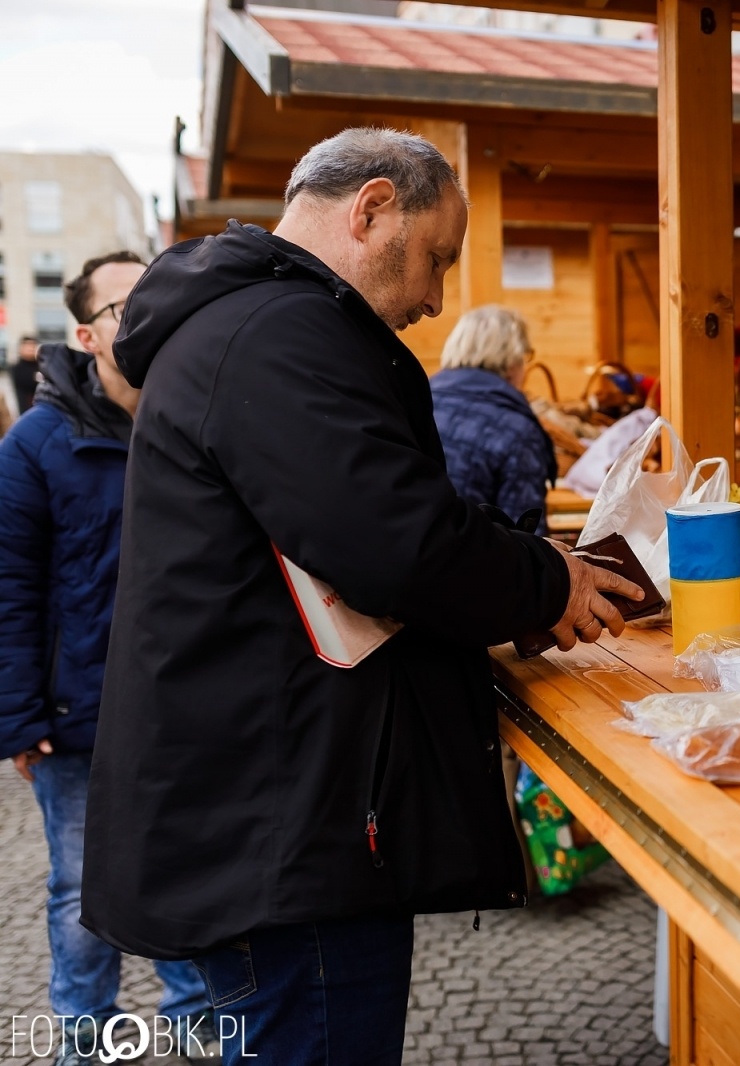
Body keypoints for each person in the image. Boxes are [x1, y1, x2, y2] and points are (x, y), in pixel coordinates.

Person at [78, 128, 642, 1066]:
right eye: (435, 259)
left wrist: (516, 567)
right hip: (282, 835)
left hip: (268, 813)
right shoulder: (278, 331)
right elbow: (396, 542)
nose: (433, 297)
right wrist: (548, 581)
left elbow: (390, 511)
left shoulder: (252, 323)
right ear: (372, 208)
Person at [0, 253, 213, 1064]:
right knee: (80, 897)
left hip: (187, 711)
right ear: (87, 333)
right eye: (130, 306)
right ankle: (85, 1047)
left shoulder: (200, 417)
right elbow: (10, 590)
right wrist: (21, 715)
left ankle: (203, 1038)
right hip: (79, 719)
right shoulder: (35, 445)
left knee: (192, 885)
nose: (157, 314)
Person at [430, 305, 558, 534]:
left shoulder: (415, 399)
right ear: (512, 362)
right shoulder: (517, 429)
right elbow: (526, 538)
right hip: (473, 564)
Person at [11, 334, 40, 412]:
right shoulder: (17, 368)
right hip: (27, 410)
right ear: (21, 348)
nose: (31, 348)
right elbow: (29, 382)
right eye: (28, 346)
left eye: (33, 345)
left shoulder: (41, 365)